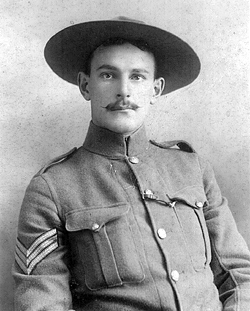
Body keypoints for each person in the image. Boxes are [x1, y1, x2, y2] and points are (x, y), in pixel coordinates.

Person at [12, 16, 250, 311]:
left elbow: (240, 277)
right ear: (86, 86)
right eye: (108, 75)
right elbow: (42, 304)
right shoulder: (52, 188)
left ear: (156, 89)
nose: (124, 90)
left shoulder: (193, 169)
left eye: (137, 76)